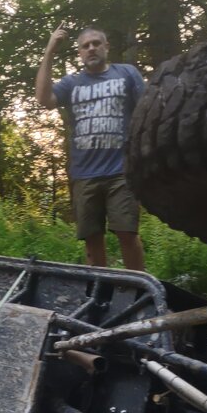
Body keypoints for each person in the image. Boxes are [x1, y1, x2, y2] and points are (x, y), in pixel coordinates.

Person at [35, 23, 145, 270]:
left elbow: (146, 112)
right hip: (84, 174)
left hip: (121, 171)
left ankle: (138, 288)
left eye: (96, 43)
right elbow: (43, 99)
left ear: (106, 47)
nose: (91, 48)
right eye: (85, 46)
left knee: (127, 234)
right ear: (80, 53)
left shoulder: (127, 74)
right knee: (92, 240)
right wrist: (50, 50)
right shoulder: (72, 83)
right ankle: (100, 289)